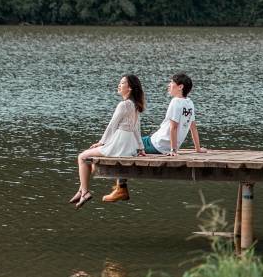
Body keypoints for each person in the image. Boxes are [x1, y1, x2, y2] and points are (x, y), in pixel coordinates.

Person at [104, 72, 207, 202]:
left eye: (171, 83)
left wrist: (173, 151)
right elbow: (193, 127)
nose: (169, 86)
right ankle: (120, 187)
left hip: (157, 144)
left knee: (123, 146)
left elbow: (173, 127)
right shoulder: (189, 103)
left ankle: (121, 188)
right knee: (131, 141)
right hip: (160, 143)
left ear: (180, 87)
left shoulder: (175, 102)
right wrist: (197, 148)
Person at [70, 75, 145, 208]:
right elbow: (136, 129)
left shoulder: (123, 105)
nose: (119, 85)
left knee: (82, 157)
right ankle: (81, 190)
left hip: (119, 144)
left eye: (122, 83)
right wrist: (140, 147)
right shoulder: (134, 105)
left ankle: (85, 191)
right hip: (129, 145)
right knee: (90, 161)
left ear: (130, 88)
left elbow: (112, 125)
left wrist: (102, 142)